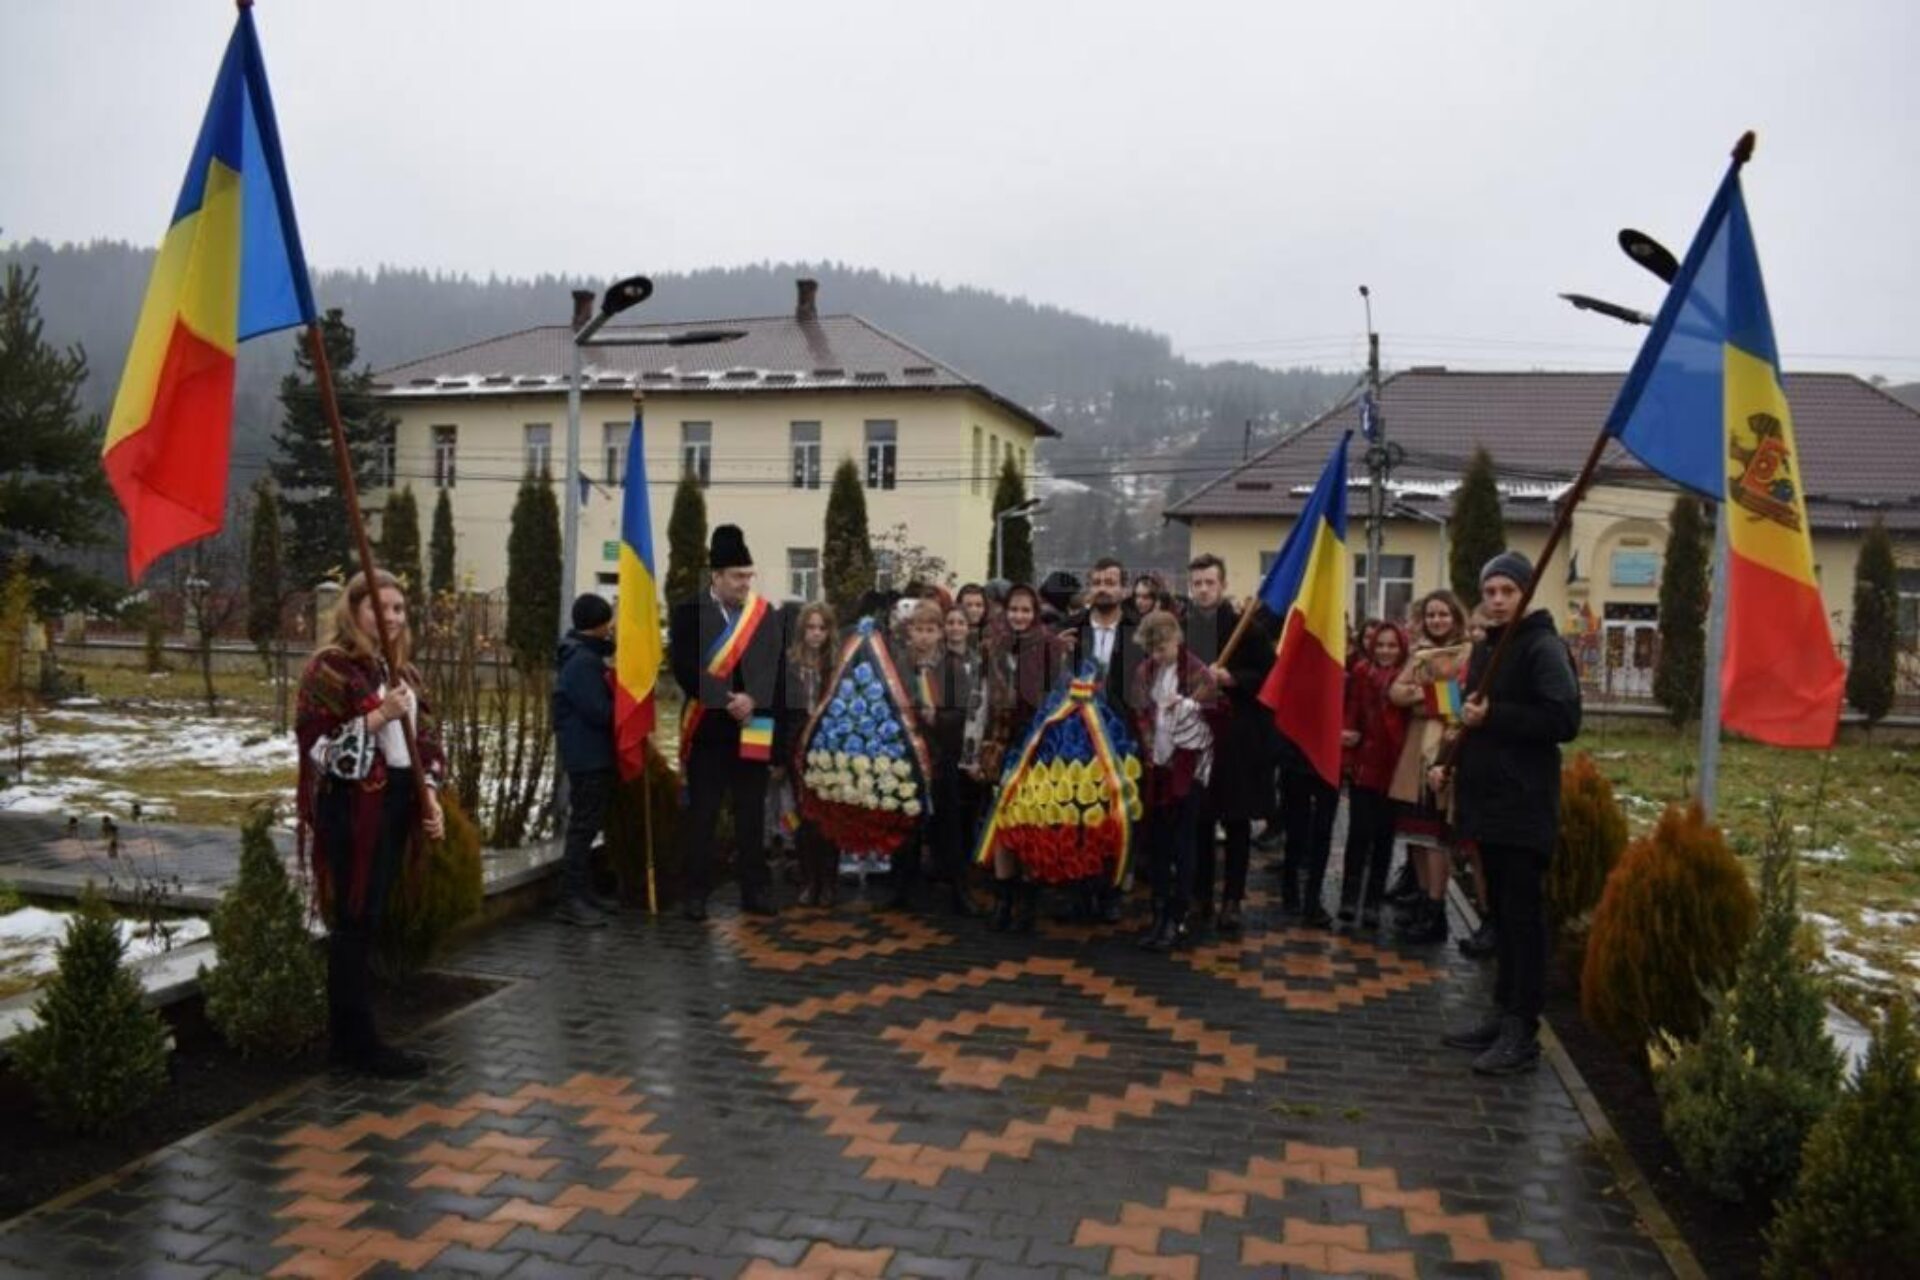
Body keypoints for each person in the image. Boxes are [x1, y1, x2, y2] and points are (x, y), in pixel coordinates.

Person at [296, 569, 446, 1079]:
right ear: (354, 612)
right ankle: (354, 1043)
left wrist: (430, 794)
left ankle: (356, 1036)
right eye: (379, 608)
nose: (392, 617)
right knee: (354, 921)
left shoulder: (401, 671)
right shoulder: (330, 670)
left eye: (399, 608)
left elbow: (425, 740)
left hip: (397, 803)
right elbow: (320, 750)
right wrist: (378, 716)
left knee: (370, 919)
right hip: (354, 810)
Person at [1441, 551, 1582, 1076]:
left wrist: (1495, 715)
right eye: (1491, 591)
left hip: (1523, 807)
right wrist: (1449, 762)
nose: (1498, 600)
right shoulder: (1490, 646)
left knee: (1523, 921)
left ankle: (1523, 1030)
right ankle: (1503, 1014)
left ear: (1526, 594)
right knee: (1500, 916)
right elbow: (1473, 717)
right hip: (1489, 804)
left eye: (1508, 591)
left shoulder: (1542, 646)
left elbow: (1564, 718)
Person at [669, 524, 786, 921]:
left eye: (748, 576)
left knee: (751, 812)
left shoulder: (764, 614)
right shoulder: (688, 612)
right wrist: (726, 700)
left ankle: (755, 890)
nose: (745, 583)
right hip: (708, 729)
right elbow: (685, 668)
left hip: (755, 724)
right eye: (738, 576)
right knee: (703, 814)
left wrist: (754, 698)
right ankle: (696, 894)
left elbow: (775, 666)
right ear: (716, 576)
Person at [1181, 554, 1275, 935]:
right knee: (1199, 821)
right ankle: (1200, 895)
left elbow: (1269, 675)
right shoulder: (1183, 629)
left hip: (1237, 740)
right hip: (1197, 738)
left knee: (1236, 822)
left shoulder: (1246, 629)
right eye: (1197, 583)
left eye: (1210, 582)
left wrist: (1233, 679)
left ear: (1222, 585)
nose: (1203, 590)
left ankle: (1232, 899)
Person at [1059, 558, 1142, 924]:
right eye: (1098, 582)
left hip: (1123, 736)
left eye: (1111, 581)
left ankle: (1112, 892)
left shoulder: (1139, 630)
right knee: (1079, 813)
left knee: (1117, 816)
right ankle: (1078, 891)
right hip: (1078, 738)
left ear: (1123, 589)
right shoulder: (1071, 629)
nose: (1104, 588)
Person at [1386, 590, 1472, 945]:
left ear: (1456, 617)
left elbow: (1459, 700)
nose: (1437, 621)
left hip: (1444, 750)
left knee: (1436, 838)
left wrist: (1422, 694)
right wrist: (1433, 693)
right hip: (1414, 753)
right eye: (1431, 615)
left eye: (1443, 614)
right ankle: (1422, 901)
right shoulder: (1419, 653)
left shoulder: (1467, 653)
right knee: (1416, 835)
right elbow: (1395, 692)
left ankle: (1437, 911)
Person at [1132, 610, 1219, 951]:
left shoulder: (1197, 671)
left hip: (1188, 769)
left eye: (1163, 648)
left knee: (1184, 843)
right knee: (1158, 844)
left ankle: (1178, 915)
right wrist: (1150, 744)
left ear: (1176, 640)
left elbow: (1215, 713)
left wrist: (1189, 708)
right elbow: (1140, 712)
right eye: (1151, 649)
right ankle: (1158, 911)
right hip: (1157, 766)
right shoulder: (1144, 671)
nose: (1157, 655)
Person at [893, 600, 981, 916]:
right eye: (919, 629)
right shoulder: (899, 665)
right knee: (906, 821)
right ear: (910, 632)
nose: (925, 636)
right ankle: (902, 888)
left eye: (931, 630)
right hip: (908, 754)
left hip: (944, 755)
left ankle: (958, 889)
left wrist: (938, 718)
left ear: (941, 633)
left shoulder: (952, 666)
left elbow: (965, 710)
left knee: (949, 824)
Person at [980, 583, 1060, 931]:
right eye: (1014, 609)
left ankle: (1028, 902)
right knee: (1001, 822)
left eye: (1026, 610)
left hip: (1035, 745)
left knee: (1029, 822)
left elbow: (1057, 697)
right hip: (1001, 743)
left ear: (1035, 613)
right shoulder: (992, 646)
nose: (1019, 616)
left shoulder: (1049, 647)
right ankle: (1003, 900)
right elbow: (980, 697)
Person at [552, 593, 619, 928]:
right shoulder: (582, 662)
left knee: (589, 825)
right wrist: (624, 704)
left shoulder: (582, 656)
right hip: (587, 756)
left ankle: (584, 892)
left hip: (590, 754)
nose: (611, 630)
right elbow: (599, 711)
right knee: (583, 828)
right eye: (608, 623)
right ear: (598, 625)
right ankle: (570, 899)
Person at [1337, 622, 1409, 930]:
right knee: (1358, 834)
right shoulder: (1361, 673)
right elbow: (1351, 712)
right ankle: (1349, 898)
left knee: (1384, 837)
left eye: (1392, 645)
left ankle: (1373, 902)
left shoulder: (1408, 677)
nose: (1385, 651)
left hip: (1396, 766)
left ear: (1401, 648)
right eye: (1380, 645)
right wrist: (1347, 742)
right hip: (1365, 764)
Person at [782, 602, 837, 907]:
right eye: (811, 627)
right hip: (797, 751)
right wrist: (777, 757)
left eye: (821, 628)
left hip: (830, 752)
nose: (816, 634)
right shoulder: (788, 665)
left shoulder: (837, 666)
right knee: (803, 817)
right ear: (802, 630)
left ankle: (828, 882)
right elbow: (777, 711)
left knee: (829, 816)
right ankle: (809, 880)